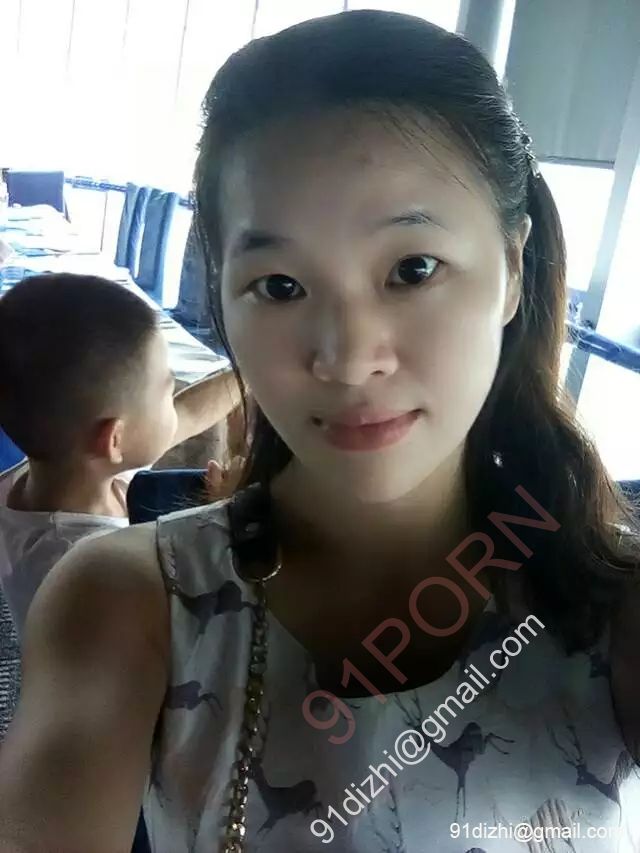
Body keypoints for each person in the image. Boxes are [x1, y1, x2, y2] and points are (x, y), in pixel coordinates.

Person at [0, 11, 639, 852]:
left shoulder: (611, 604)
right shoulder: (128, 602)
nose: (346, 358)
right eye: (279, 285)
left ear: (514, 270)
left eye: (412, 269)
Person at [0, 272, 239, 638]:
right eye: (167, 390)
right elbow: (203, 629)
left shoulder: (66, 465)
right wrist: (227, 513)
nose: (173, 401)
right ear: (114, 440)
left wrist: (248, 375)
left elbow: (187, 415)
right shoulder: (86, 570)